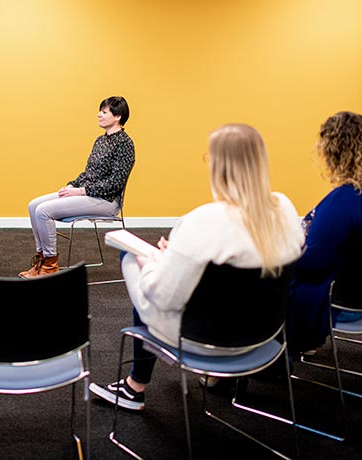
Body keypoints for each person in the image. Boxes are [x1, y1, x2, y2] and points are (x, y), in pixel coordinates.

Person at [90, 124, 304, 410]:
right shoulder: (285, 210)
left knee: (129, 257)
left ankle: (134, 387)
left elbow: (163, 297)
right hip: (263, 338)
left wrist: (153, 262)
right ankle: (219, 378)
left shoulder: (203, 221)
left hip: (201, 339)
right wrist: (178, 254)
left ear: (217, 165)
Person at [285, 111, 362, 355]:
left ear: (337, 152)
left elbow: (310, 263)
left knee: (249, 284)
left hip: (335, 301)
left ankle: (246, 362)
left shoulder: (345, 201)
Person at [18, 96, 135, 278]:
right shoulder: (101, 141)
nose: (99, 115)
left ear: (118, 116)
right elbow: (89, 173)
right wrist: (73, 184)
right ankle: (41, 258)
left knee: (43, 212)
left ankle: (50, 265)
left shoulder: (125, 144)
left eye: (104, 112)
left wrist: (81, 191)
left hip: (106, 201)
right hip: (86, 194)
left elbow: (115, 184)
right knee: (34, 205)